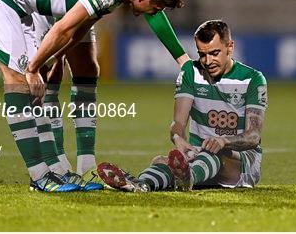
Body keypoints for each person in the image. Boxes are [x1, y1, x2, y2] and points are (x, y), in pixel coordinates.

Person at [0, 0, 186, 192]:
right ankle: (39, 177)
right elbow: (62, 29)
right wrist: (33, 67)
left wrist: (55, 58)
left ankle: (53, 171)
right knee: (18, 79)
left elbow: (77, 30)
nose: (153, 14)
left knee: (35, 84)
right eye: (155, 9)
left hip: (22, 1)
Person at [29, 0, 189, 178]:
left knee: (88, 68)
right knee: (52, 74)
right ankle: (55, 162)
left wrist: (182, 58)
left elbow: (151, 2)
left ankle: (86, 164)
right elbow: (69, 3)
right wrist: (57, 53)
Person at [97, 20, 267, 192]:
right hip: (198, 155)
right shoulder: (191, 73)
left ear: (230, 47)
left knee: (210, 155)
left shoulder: (252, 79)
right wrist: (178, 138)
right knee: (161, 162)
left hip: (240, 163)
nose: (208, 61)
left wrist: (223, 141)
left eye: (215, 53)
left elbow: (253, 136)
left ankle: (188, 176)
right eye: (202, 54)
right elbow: (178, 123)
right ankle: (141, 184)